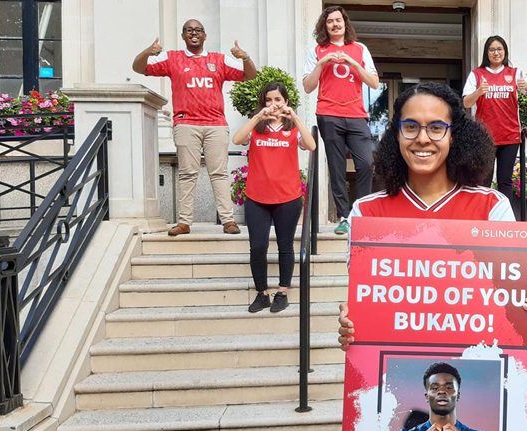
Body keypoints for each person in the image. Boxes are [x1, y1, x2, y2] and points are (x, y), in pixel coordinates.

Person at [336, 82, 527, 431]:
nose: (423, 138)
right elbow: (364, 306)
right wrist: (349, 330)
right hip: (391, 408)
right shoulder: (366, 213)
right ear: (395, 134)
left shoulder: (490, 207)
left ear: (458, 135)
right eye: (410, 125)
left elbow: (512, 307)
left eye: (438, 126)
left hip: (473, 417)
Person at [133, 19, 258, 236]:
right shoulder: (172, 58)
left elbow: (250, 75)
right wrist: (148, 51)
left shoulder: (218, 60)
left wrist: (245, 57)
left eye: (198, 30)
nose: (194, 33)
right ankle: (184, 222)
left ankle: (228, 220)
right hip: (186, 123)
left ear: (205, 35)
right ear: (183, 36)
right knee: (187, 173)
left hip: (215, 124)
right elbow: (138, 67)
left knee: (218, 173)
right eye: (189, 30)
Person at [231, 82, 315, 314]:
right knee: (257, 247)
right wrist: (258, 116)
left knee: (285, 246)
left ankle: (282, 293)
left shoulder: (293, 129)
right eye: (268, 100)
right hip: (257, 197)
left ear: (286, 102)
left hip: (288, 197)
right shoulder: (257, 127)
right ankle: (262, 294)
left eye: (278, 100)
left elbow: (311, 144)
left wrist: (296, 119)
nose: (273, 104)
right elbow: (237, 140)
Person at [302, 5, 379, 236]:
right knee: (336, 169)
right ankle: (345, 217)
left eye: (338, 20)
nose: (335, 24)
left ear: (345, 23)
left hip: (356, 115)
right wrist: (322, 63)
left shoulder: (360, 48)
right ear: (325, 26)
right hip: (328, 113)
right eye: (330, 21)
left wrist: (353, 63)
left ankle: (360, 214)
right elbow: (307, 87)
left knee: (365, 163)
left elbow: (374, 83)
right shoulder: (317, 50)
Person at [461, 36, 527, 216]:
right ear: (486, 53)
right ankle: (482, 216)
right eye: (492, 49)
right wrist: (479, 92)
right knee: (484, 180)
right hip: (485, 137)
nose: (496, 53)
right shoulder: (477, 74)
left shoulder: (515, 73)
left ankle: (505, 218)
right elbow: (466, 103)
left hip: (509, 136)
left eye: (499, 49)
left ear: (505, 52)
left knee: (505, 181)